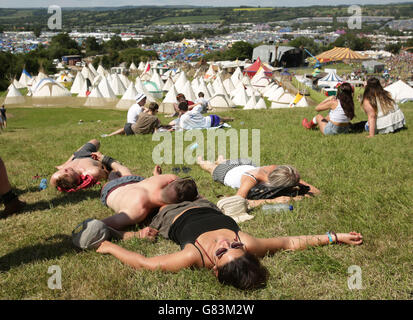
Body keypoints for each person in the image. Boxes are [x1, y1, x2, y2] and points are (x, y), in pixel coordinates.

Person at [96, 197, 363, 290]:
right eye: (234, 247)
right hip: (202, 203)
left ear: (214, 268)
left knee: (142, 195)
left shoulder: (194, 256)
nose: (225, 242)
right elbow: (289, 242)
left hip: (166, 214)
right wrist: (335, 237)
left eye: (222, 252)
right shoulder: (246, 242)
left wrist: (109, 247)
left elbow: (146, 264)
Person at [100, 164, 199, 230]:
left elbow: (104, 224)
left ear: (170, 183)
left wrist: (157, 177)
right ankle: (108, 166)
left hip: (132, 182)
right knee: (116, 176)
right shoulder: (138, 210)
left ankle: (110, 163)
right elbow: (105, 224)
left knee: (120, 172)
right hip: (112, 191)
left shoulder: (168, 178)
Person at [196, 156, 319, 206]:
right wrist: (273, 201)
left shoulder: (281, 171)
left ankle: (222, 158)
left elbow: (315, 191)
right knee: (210, 167)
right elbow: (237, 202)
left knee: (226, 160)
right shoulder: (251, 179)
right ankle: (201, 160)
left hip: (246, 163)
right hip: (226, 172)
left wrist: (306, 194)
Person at [50, 139, 126, 192]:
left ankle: (66, 162)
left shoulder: (64, 172)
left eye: (61, 170)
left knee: (95, 141)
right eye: (66, 172)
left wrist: (66, 164)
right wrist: (101, 158)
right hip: (91, 157)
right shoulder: (91, 171)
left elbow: (54, 180)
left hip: (79, 155)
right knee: (95, 142)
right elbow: (107, 171)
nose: (65, 169)